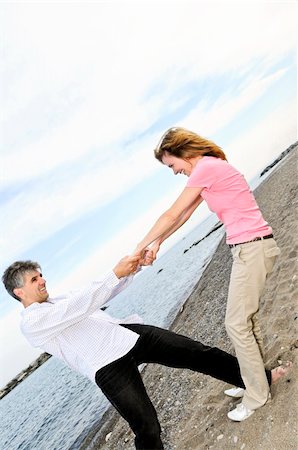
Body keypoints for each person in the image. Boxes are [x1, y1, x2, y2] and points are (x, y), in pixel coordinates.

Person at [2, 259, 290, 449]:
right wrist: (113, 273)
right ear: (18, 292)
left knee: (198, 353)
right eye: (33, 280)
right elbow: (80, 304)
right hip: (108, 367)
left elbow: (96, 295)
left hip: (129, 336)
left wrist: (131, 270)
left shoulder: (57, 299)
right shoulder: (31, 322)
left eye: (40, 275)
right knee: (146, 425)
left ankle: (260, 379)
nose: (42, 281)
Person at [132, 127, 284, 422]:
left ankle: (257, 394)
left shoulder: (206, 167)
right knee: (243, 322)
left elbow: (171, 214)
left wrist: (139, 247)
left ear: (182, 153)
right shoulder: (210, 170)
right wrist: (158, 242)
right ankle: (255, 381)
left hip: (252, 249)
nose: (174, 172)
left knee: (237, 324)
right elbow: (185, 214)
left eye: (171, 165)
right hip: (249, 249)